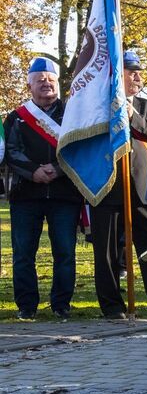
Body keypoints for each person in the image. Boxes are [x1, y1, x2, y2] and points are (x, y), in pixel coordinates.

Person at [5, 57, 83, 321]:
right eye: (40, 81)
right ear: (30, 86)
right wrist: (34, 171)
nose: (46, 85)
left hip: (64, 194)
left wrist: (58, 170)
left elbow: (77, 149)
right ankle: (26, 306)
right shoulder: (17, 117)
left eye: (50, 81)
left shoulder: (73, 114)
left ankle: (61, 304)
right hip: (26, 195)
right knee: (24, 253)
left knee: (65, 252)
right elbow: (11, 152)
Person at [90, 50, 147, 319]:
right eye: (130, 71)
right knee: (107, 251)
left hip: (144, 188)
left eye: (139, 71)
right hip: (107, 186)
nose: (137, 76)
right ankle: (112, 307)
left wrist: (132, 116)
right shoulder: (97, 108)